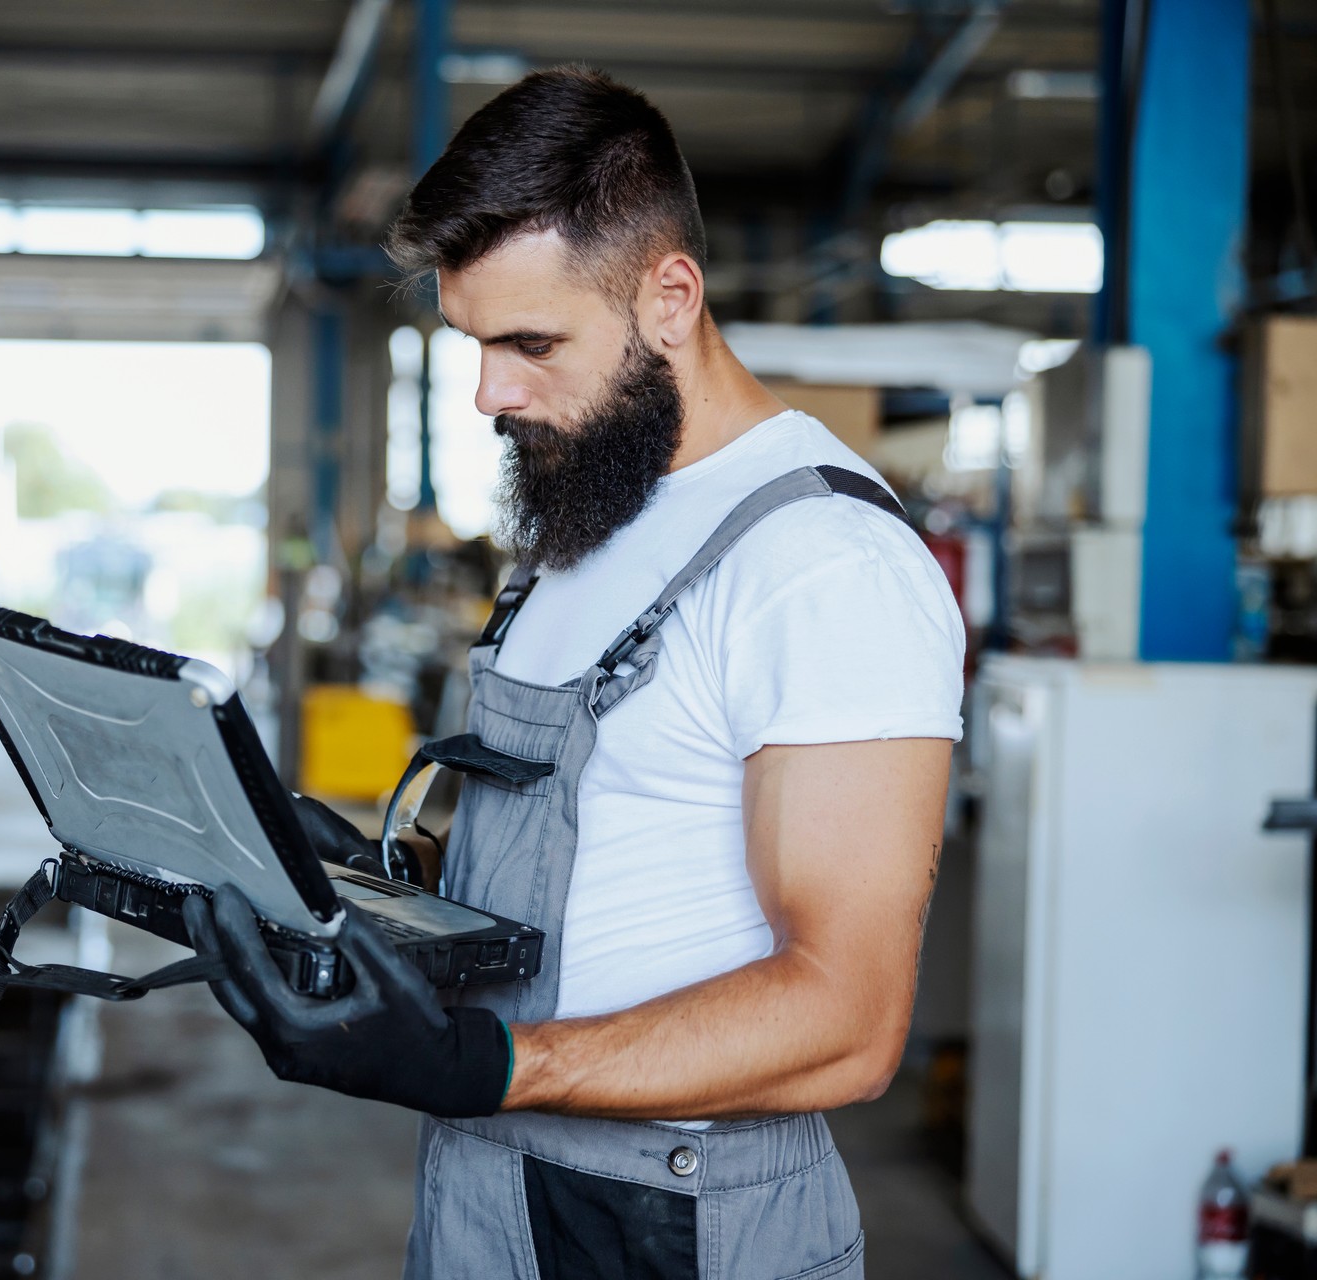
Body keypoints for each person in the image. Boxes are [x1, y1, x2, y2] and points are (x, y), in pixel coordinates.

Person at [184, 66, 964, 1280]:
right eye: (473, 342)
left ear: (669, 295)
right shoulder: (584, 524)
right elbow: (611, 869)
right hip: (492, 1176)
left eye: (529, 342)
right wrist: (374, 873)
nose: (491, 390)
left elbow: (848, 1017)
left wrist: (496, 1064)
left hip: (675, 1218)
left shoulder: (821, 564)